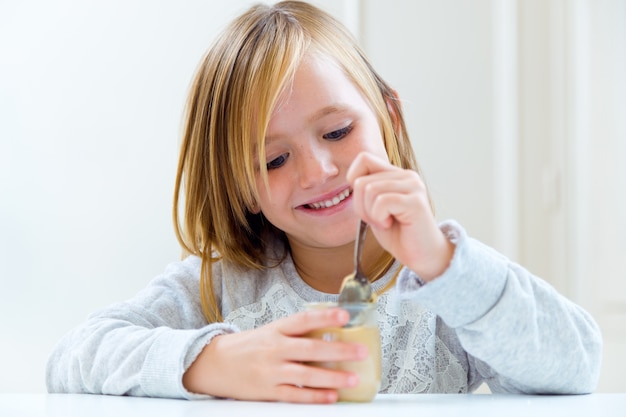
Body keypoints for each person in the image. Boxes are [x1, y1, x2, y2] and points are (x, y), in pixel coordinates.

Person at [45, 1, 602, 404]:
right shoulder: (221, 288)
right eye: (272, 161)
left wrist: (444, 264)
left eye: (336, 131)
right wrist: (213, 363)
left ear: (390, 117)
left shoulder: (449, 284)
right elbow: (74, 357)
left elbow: (577, 363)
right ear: (238, 184)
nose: (318, 171)